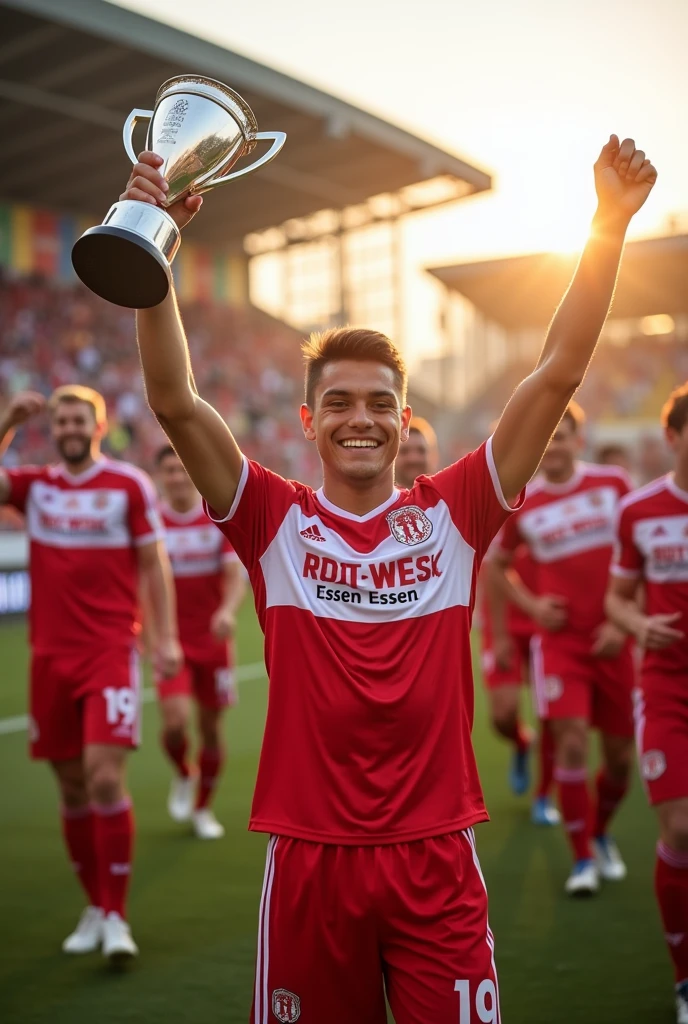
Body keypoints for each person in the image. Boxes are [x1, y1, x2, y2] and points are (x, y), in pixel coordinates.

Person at [121, 135, 655, 1021]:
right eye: (338, 401)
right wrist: (156, 243)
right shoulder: (272, 519)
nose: (359, 419)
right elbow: (176, 399)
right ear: (308, 419)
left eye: (378, 403)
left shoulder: (456, 511)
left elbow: (557, 369)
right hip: (310, 861)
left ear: (404, 419)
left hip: (435, 857)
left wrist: (605, 228)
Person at [0, 386, 181, 959]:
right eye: (61, 419)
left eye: (80, 418)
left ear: (98, 426)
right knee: (71, 785)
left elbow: (154, 564)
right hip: (49, 657)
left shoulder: (129, 484)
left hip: (108, 652)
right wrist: (7, 421)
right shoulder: (37, 487)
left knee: (104, 777)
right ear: (52, 429)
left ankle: (118, 918)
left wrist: (165, 637)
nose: (70, 426)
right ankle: (96, 905)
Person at [489, 403, 635, 896]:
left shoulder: (613, 485)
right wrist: (531, 607)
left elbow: (641, 558)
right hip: (561, 646)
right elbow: (497, 565)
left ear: (579, 439)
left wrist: (624, 621)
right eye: (545, 438)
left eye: (561, 436)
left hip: (614, 641)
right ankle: (581, 862)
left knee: (618, 760)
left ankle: (599, 833)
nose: (552, 447)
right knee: (571, 739)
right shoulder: (522, 501)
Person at [606, 383, 688, 1024]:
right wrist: (638, 627)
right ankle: (685, 979)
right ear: (673, 437)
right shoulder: (640, 510)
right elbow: (618, 598)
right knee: (682, 830)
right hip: (665, 686)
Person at [154, 444, 245, 839]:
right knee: (174, 724)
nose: (176, 476)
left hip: (212, 640)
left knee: (210, 728)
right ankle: (184, 772)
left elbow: (233, 576)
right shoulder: (152, 521)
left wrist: (226, 610)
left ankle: (203, 808)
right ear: (161, 477)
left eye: (181, 468)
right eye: (168, 471)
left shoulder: (214, 517)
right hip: (171, 640)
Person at [480, 543, 559, 824]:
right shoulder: (500, 505)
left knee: (553, 715)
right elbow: (492, 570)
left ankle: (542, 796)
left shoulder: (550, 504)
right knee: (503, 715)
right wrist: (500, 634)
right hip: (503, 625)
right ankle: (522, 742)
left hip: (547, 620)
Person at [394, 417, 439, 488]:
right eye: (404, 451)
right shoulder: (377, 498)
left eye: (421, 450)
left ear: (434, 456)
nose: (413, 459)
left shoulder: (450, 497)